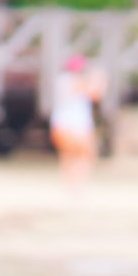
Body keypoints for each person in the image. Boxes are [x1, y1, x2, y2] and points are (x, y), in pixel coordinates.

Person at [49, 52, 104, 182]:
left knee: (68, 155)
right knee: (87, 154)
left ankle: (70, 182)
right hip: (76, 125)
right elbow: (95, 94)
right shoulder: (72, 81)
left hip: (60, 124)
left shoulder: (60, 80)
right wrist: (99, 78)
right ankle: (77, 183)